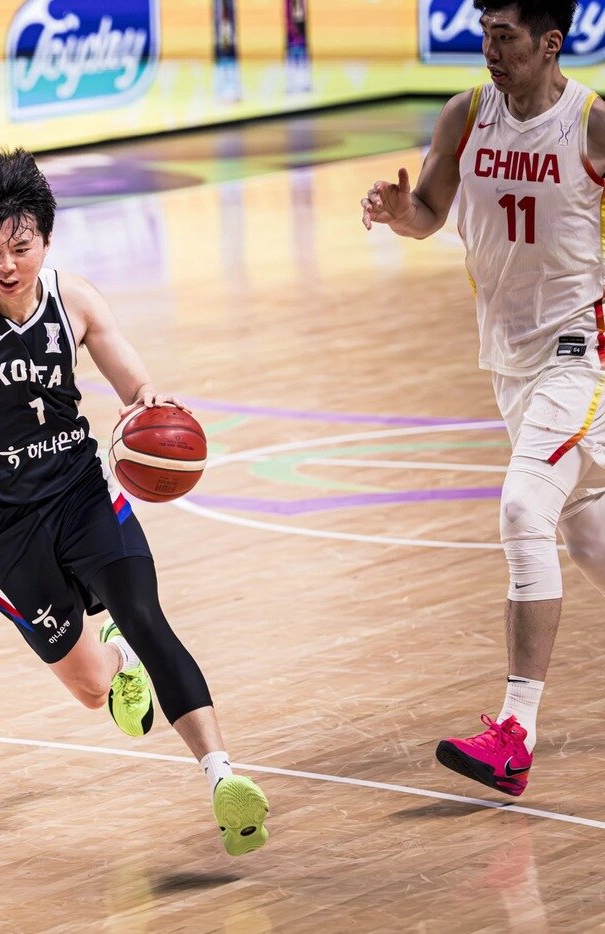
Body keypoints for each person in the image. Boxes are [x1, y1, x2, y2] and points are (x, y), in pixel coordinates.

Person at [0, 147, 271, 857]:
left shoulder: (77, 300)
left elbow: (139, 393)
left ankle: (223, 778)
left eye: (21, 247)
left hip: (80, 493)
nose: (7, 264)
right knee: (92, 689)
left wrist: (153, 409)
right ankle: (114, 666)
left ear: (46, 242)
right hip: (2, 529)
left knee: (146, 615)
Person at [362, 0, 605, 798]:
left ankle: (515, 732)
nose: (489, 50)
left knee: (522, 512)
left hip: (582, 356)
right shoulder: (465, 115)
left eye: (504, 37)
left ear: (550, 42)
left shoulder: (590, 125)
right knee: (589, 537)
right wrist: (403, 216)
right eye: (484, 34)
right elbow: (430, 212)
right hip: (510, 363)